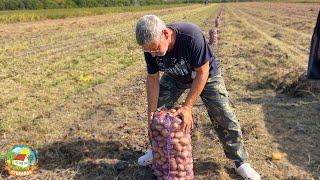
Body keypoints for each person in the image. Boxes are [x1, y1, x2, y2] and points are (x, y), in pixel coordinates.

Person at [135, 15, 261, 179]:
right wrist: (151, 114)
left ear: (165, 34)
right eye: (148, 51)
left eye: (155, 49)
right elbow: (152, 79)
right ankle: (156, 150)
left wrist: (187, 107)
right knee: (158, 115)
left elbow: (202, 72)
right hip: (175, 76)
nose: (153, 54)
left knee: (223, 114)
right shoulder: (151, 48)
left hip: (205, 76)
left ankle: (241, 162)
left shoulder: (190, 36)